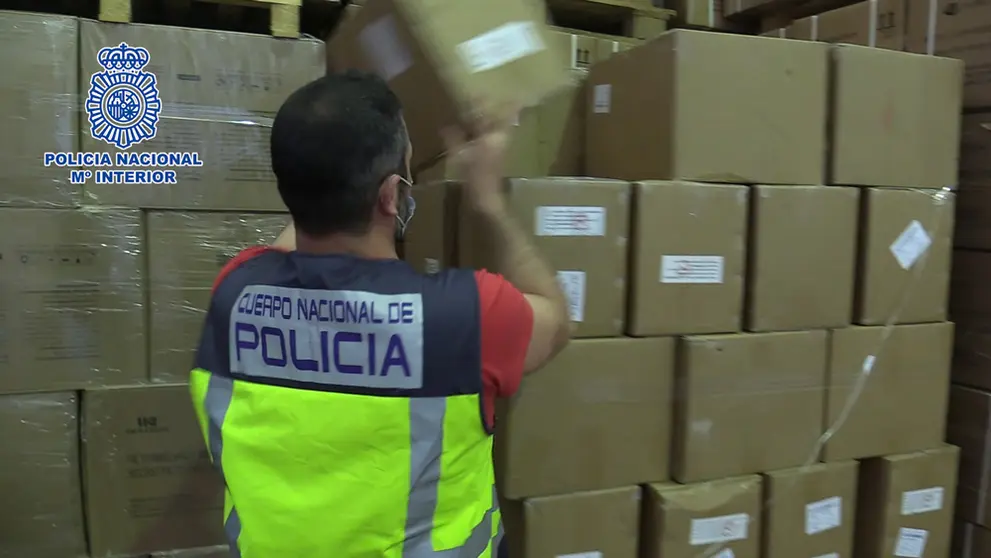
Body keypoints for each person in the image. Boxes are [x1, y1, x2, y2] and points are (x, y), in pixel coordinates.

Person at [188, 70, 571, 557]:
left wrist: (324, 168)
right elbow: (557, 321)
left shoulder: (234, 292)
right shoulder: (467, 316)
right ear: (392, 195)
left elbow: (299, 233)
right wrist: (488, 200)